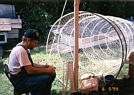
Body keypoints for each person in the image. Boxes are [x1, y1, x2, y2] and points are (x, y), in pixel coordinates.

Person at [8, 29, 56, 95]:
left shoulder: (25, 48)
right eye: (35, 42)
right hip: (20, 81)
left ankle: (39, 91)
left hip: (24, 76)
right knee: (47, 77)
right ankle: (39, 91)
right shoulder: (21, 50)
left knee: (51, 74)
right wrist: (47, 70)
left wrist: (44, 66)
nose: (36, 45)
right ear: (28, 40)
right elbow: (30, 70)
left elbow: (30, 64)